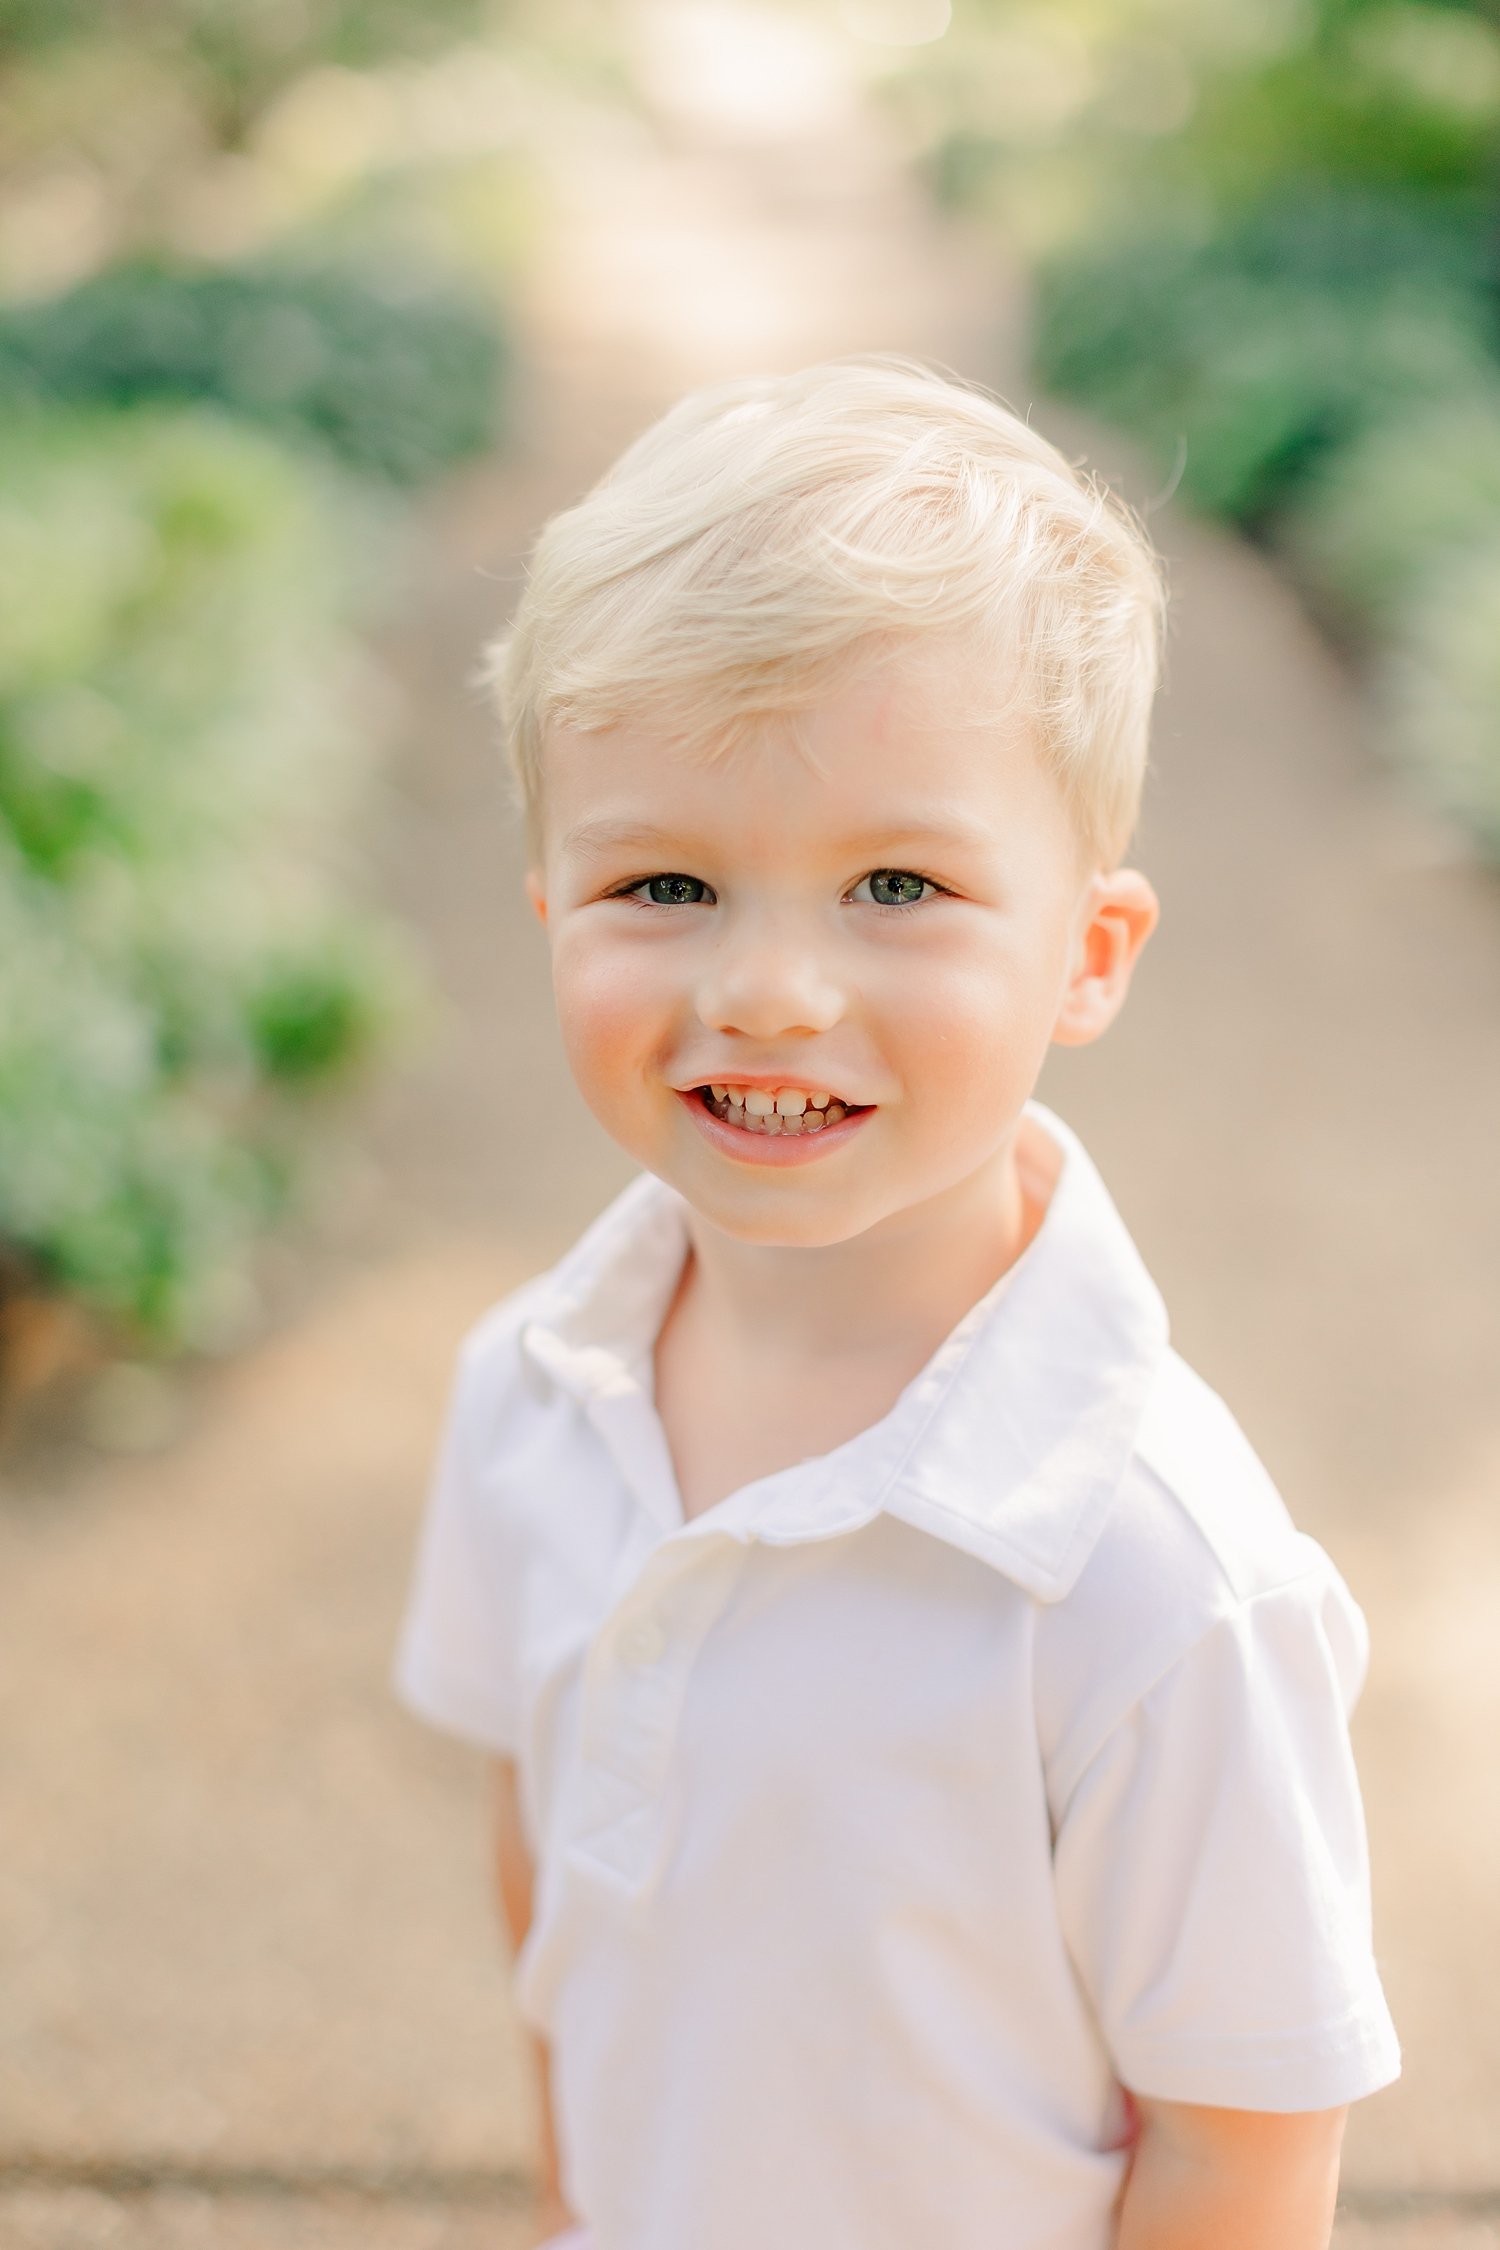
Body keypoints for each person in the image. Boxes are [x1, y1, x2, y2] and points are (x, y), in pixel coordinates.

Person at [394, 359, 1400, 2250]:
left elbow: (1248, 2141)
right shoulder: (533, 1389)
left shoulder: (1150, 1574)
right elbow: (555, 1875)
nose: (771, 986)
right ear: (547, 904)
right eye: (668, 879)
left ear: (1086, 955)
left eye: (896, 883)